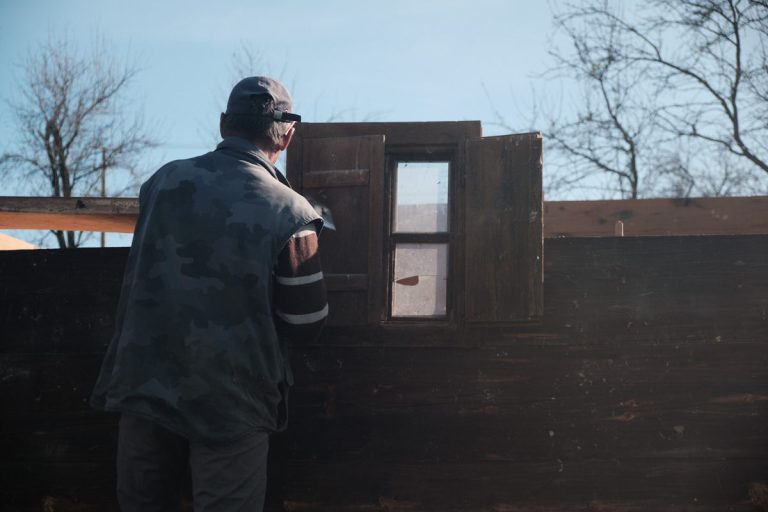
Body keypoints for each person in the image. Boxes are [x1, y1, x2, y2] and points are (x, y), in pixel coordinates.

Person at [90, 76, 328, 512]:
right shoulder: (293, 213)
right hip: (232, 406)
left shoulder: (161, 184)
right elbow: (306, 324)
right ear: (288, 134)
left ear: (223, 124)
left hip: (144, 390)